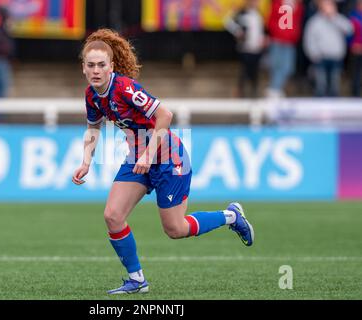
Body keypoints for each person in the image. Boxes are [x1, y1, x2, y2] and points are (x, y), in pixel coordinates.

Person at [72, 28, 254, 295]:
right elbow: (93, 128)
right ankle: (137, 280)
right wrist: (86, 161)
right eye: (91, 65)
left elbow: (165, 115)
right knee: (112, 215)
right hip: (138, 159)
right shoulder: (91, 95)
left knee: (175, 229)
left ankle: (231, 216)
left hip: (169, 159)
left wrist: (148, 154)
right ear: (84, 68)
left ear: (111, 66)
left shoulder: (124, 88)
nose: (96, 70)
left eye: (101, 65)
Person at [303, 0, 353, 97]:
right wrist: (313, 53)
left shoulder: (339, 19)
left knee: (334, 84)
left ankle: (335, 108)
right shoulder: (314, 21)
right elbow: (309, 39)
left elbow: (349, 29)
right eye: (326, 5)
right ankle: (319, 107)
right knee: (321, 84)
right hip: (320, 57)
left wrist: (334, 17)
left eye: (330, 5)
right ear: (320, 6)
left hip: (336, 57)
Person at [225, 0, 267, 98]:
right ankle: (240, 90)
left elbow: (260, 29)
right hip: (245, 47)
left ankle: (254, 90)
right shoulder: (242, 12)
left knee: (255, 69)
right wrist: (238, 32)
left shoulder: (258, 14)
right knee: (244, 69)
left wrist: (263, 39)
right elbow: (228, 22)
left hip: (256, 47)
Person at [266, 0, 305, 98]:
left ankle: (276, 88)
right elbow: (271, 19)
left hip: (289, 41)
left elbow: (297, 22)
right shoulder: (277, 3)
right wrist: (276, 33)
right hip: (277, 40)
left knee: (288, 68)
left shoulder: (298, 5)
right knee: (276, 65)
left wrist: (294, 35)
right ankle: (274, 89)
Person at [349, 0, 362, 96]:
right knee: (356, 73)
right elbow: (349, 34)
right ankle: (355, 93)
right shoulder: (353, 17)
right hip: (356, 49)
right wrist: (352, 45)